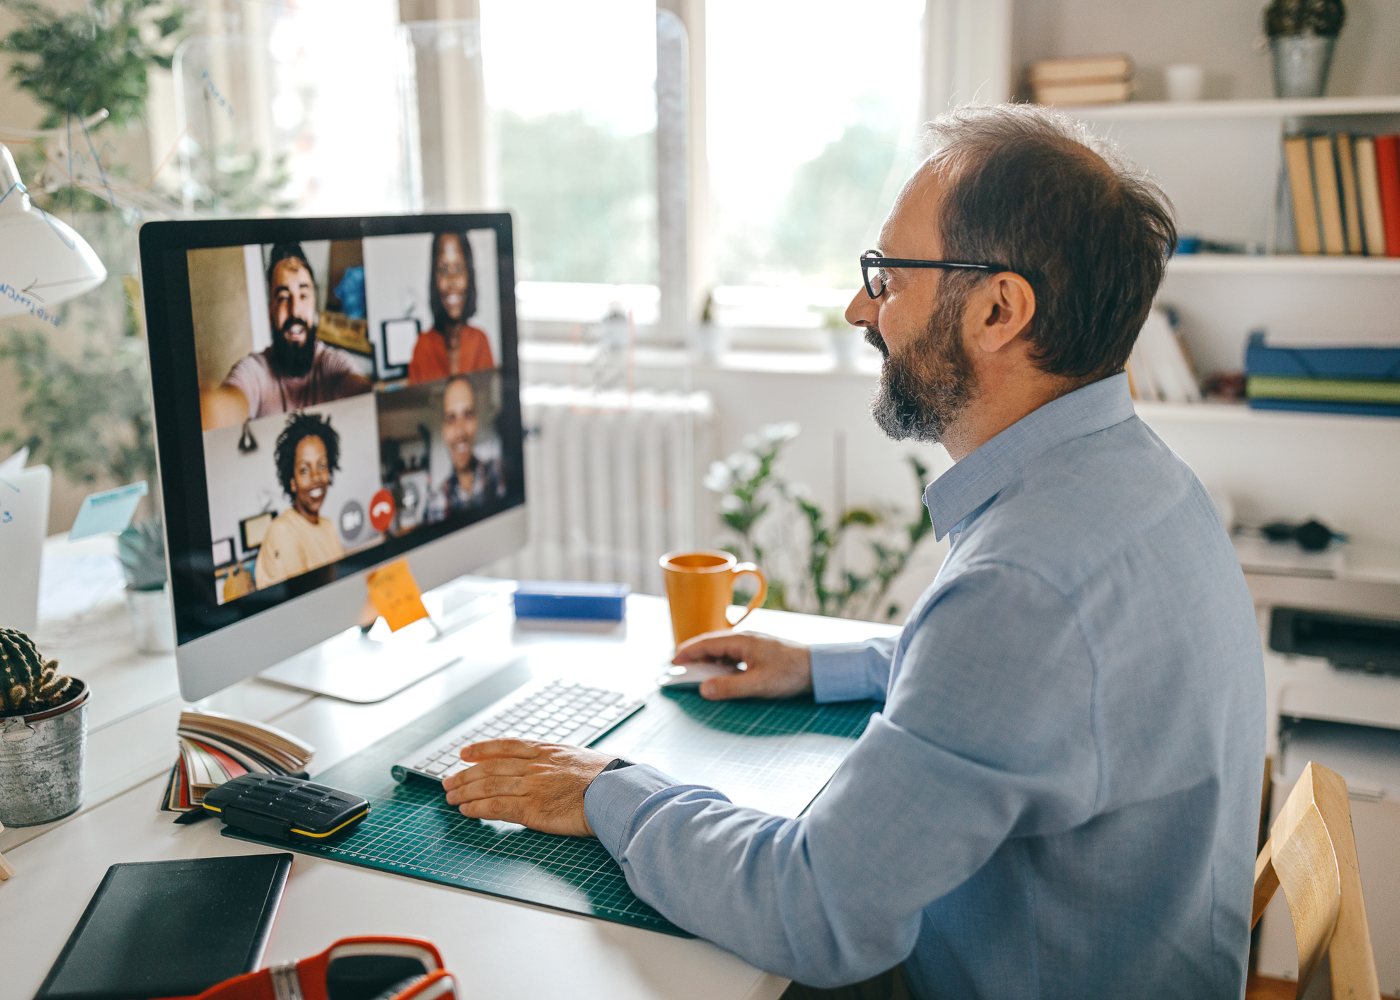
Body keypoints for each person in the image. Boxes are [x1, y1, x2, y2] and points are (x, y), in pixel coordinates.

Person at [440, 105, 1266, 998]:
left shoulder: (1023, 588)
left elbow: (815, 912)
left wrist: (608, 791)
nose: (859, 309)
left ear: (998, 309)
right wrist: (824, 666)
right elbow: (1041, 688)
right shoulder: (1142, 484)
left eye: (888, 277)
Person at [202, 243, 371, 430]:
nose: (295, 310)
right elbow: (224, 406)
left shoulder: (333, 364)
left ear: (314, 305)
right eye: (283, 297)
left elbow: (360, 392)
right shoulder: (254, 372)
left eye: (304, 295)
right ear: (270, 310)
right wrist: (208, 408)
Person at [254, 411, 345, 588]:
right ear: (292, 482)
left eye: (322, 465)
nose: (316, 477)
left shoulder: (328, 526)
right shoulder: (282, 531)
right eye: (304, 470)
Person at [407, 231, 494, 384]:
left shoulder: (480, 341)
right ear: (435, 279)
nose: (452, 281)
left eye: (459, 269)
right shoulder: (423, 346)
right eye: (444, 269)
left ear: (469, 276)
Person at [425, 373, 504, 523]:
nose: (460, 432)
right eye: (451, 418)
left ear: (476, 421)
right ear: (443, 430)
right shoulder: (435, 501)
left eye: (467, 415)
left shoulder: (499, 474)